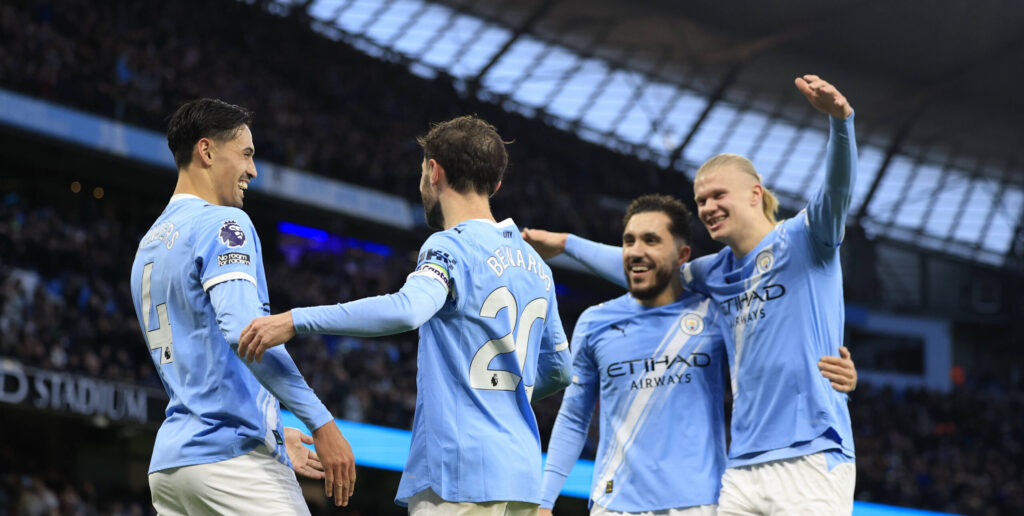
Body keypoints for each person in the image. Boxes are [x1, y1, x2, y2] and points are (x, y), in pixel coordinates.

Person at [524, 75, 859, 515]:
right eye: (701, 200)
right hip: (742, 467)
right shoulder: (713, 272)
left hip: (812, 454)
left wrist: (841, 122)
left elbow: (836, 190)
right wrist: (567, 243)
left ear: (755, 194)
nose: (707, 207)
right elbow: (646, 267)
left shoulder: (806, 239)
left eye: (718, 195)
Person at [238, 115, 573, 514]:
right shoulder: (538, 266)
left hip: (459, 474)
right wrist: (504, 393)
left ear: (434, 171)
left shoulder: (450, 246)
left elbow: (408, 309)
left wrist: (296, 320)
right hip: (522, 478)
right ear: (496, 184)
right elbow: (560, 371)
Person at [536, 195, 857, 516]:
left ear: (682, 256)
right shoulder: (595, 321)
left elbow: (775, 355)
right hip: (613, 504)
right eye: (629, 241)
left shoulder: (716, 315)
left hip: (700, 504)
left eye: (651, 240)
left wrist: (835, 370)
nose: (635, 250)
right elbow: (574, 417)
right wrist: (545, 501)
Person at [129, 98, 355, 515]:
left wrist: (273, 431)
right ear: (207, 150)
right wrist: (321, 421)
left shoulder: (149, 244)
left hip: (172, 467)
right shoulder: (223, 223)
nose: (253, 170)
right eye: (246, 154)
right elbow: (246, 334)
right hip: (231, 461)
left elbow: (205, 361)